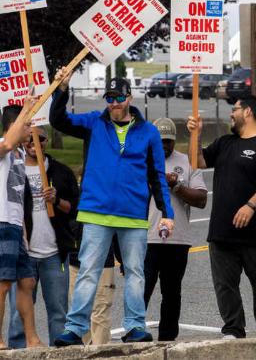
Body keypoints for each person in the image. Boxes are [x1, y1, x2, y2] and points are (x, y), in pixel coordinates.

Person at [50, 72, 175, 347]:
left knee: (135, 272)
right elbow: (58, 120)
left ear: (129, 97)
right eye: (110, 98)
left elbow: (157, 176)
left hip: (133, 216)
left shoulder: (149, 132)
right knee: (88, 271)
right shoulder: (94, 122)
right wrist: (62, 89)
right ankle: (74, 328)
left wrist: (167, 214)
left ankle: (134, 327)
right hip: (95, 212)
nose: (114, 103)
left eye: (119, 97)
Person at [188, 95, 256, 339]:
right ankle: (233, 329)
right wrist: (196, 134)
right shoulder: (224, 143)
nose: (231, 114)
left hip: (255, 232)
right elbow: (197, 162)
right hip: (222, 231)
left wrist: (251, 205)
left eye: (235, 109)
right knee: (225, 285)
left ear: (249, 112)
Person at [7, 126, 79, 348]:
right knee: (19, 315)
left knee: (59, 312)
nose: (33, 143)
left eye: (39, 138)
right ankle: (18, 352)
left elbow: (74, 210)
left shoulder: (61, 172)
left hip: (54, 254)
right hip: (23, 255)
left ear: (46, 140)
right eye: (28, 138)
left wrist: (56, 200)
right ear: (21, 141)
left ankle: (59, 352)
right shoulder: (11, 170)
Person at [143, 118, 207, 341]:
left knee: (171, 294)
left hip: (177, 240)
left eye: (168, 141)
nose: (164, 146)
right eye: (160, 141)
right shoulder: (141, 161)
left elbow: (201, 200)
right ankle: (135, 333)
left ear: (174, 140)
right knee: (140, 291)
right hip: (146, 238)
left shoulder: (187, 162)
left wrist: (176, 186)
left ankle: (167, 340)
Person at [0, 100, 44, 349]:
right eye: (28, 125)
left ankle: (31, 338)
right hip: (1, 223)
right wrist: (25, 109)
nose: (31, 131)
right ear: (14, 125)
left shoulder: (18, 156)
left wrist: (24, 234)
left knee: (27, 281)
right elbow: (7, 142)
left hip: (15, 227)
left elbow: (18, 199)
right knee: (3, 283)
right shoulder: (3, 148)